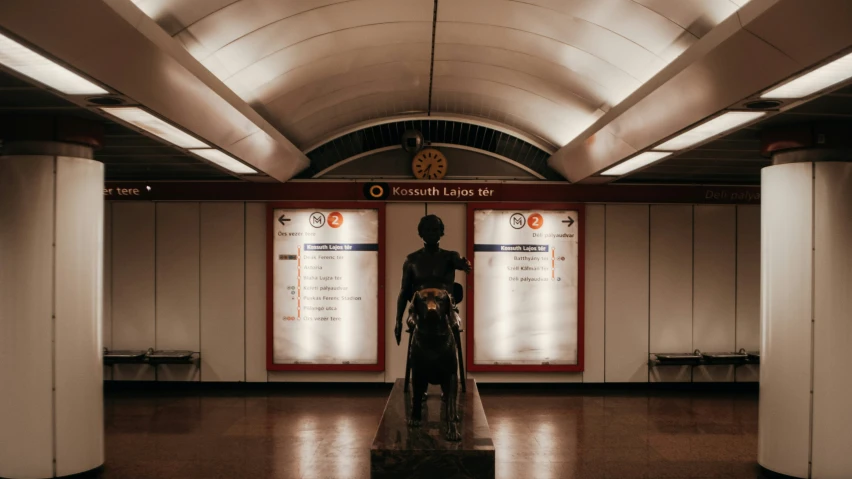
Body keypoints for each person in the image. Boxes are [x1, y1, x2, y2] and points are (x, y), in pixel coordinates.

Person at [394, 214, 471, 345]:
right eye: (427, 230)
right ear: (421, 233)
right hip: (419, 310)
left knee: (455, 324)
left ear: (441, 232)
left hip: (446, 310)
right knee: (414, 324)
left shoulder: (450, 256)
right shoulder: (412, 260)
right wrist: (398, 321)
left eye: (435, 230)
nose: (431, 233)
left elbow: (459, 263)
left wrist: (464, 265)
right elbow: (404, 290)